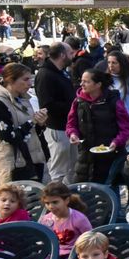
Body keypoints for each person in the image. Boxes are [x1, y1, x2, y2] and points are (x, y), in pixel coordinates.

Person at [0, 63, 48, 184]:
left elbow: (32, 130)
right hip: (12, 164)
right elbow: (7, 136)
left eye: (30, 79)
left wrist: (40, 123)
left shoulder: (22, 98)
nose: (29, 83)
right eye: (25, 79)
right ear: (10, 80)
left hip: (32, 159)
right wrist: (32, 122)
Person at [67, 68, 129, 184]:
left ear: (98, 85)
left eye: (86, 81)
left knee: (109, 188)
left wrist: (117, 142)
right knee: (83, 190)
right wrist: (73, 134)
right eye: (82, 81)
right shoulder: (78, 101)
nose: (82, 84)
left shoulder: (113, 101)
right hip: (85, 155)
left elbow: (126, 127)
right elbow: (71, 123)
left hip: (110, 155)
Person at [35, 42, 78, 183]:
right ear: (62, 55)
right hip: (57, 127)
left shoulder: (60, 71)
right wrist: (73, 106)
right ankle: (54, 197)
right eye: (70, 53)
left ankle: (68, 198)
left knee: (72, 166)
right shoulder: (45, 74)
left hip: (68, 126)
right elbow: (48, 104)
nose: (73, 55)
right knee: (59, 169)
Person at [39, 182, 93, 257]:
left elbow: (90, 239)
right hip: (52, 254)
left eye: (55, 202)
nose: (51, 206)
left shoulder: (79, 219)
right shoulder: (46, 219)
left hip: (73, 255)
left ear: (66, 200)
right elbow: (44, 240)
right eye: (47, 203)